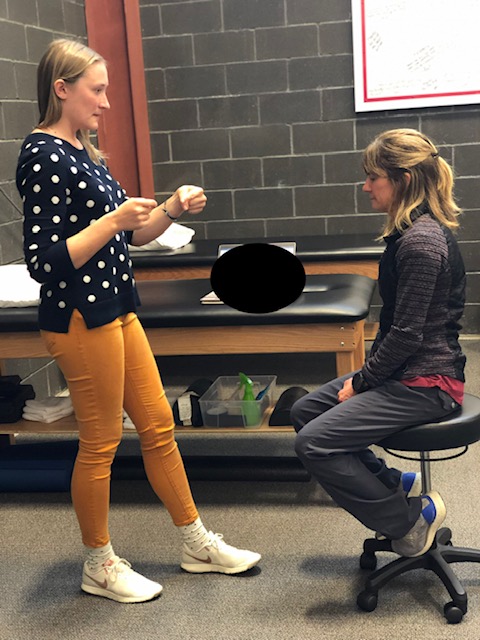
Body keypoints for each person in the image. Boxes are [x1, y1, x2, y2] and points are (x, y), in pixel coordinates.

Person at [16, 38, 260, 604]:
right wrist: (112, 221)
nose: (106, 103)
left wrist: (170, 208)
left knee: (158, 427)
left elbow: (134, 235)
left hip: (117, 309)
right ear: (62, 89)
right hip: (80, 317)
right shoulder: (42, 154)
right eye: (97, 90)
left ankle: (196, 543)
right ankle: (98, 564)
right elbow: (44, 262)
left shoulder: (85, 152)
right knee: (100, 443)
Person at [291, 128, 466, 558]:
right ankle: (392, 483)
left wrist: (363, 382)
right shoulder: (411, 231)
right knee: (305, 410)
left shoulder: (422, 243)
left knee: (313, 443)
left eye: (374, 177)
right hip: (406, 373)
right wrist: (368, 379)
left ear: (402, 180)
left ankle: (409, 521)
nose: (366, 186)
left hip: (429, 383)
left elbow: (406, 335)